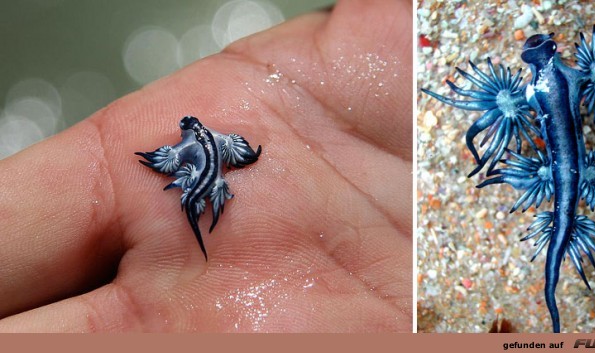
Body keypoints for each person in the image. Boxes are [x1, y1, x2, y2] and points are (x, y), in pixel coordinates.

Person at [0, 0, 411, 332]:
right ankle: (202, 223)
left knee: (195, 196)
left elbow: (173, 158)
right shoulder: (214, 143)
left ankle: (202, 223)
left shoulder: (200, 146)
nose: (189, 127)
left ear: (190, 128)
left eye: (189, 126)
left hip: (204, 182)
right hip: (207, 182)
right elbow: (224, 154)